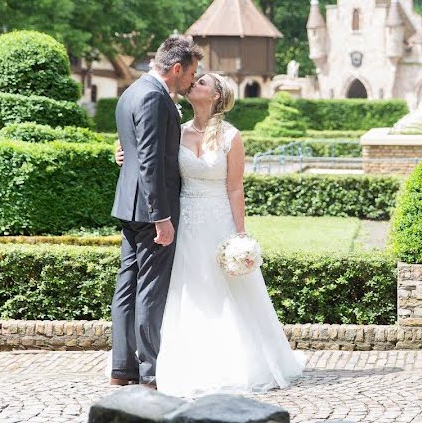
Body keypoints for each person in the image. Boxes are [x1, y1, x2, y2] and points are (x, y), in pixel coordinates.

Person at [116, 72, 306, 397]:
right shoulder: (176, 131)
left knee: (224, 291)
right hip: (184, 220)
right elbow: (148, 155)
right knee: (187, 289)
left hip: (218, 221)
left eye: (202, 82)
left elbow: (234, 188)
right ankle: (182, 360)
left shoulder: (232, 136)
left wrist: (240, 233)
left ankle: (237, 360)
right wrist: (122, 155)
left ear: (217, 96)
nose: (194, 84)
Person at [110, 36, 202, 388]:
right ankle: (149, 372)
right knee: (149, 290)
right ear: (176, 69)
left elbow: (130, 149)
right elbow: (148, 159)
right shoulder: (153, 96)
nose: (192, 81)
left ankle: (122, 369)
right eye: (191, 73)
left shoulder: (131, 92)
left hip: (129, 206)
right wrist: (161, 217)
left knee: (127, 286)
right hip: (151, 211)